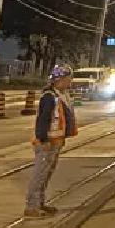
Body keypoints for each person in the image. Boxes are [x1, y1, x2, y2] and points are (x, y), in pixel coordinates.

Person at [26, 64, 78, 218]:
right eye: (69, 78)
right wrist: (43, 139)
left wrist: (62, 138)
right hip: (46, 142)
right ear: (60, 79)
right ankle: (31, 206)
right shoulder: (49, 96)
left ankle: (40, 203)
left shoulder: (61, 95)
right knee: (40, 174)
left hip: (56, 141)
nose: (71, 81)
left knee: (46, 173)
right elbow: (43, 119)